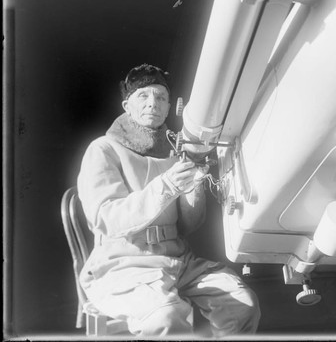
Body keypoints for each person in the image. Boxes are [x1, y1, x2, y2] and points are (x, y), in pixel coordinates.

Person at [77, 63, 261, 337]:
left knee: (242, 304)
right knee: (165, 316)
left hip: (177, 262)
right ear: (127, 105)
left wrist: (193, 187)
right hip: (122, 266)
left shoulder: (175, 152)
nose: (153, 103)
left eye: (161, 97)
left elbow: (187, 227)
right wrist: (167, 184)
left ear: (169, 105)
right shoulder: (103, 149)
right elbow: (108, 219)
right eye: (144, 96)